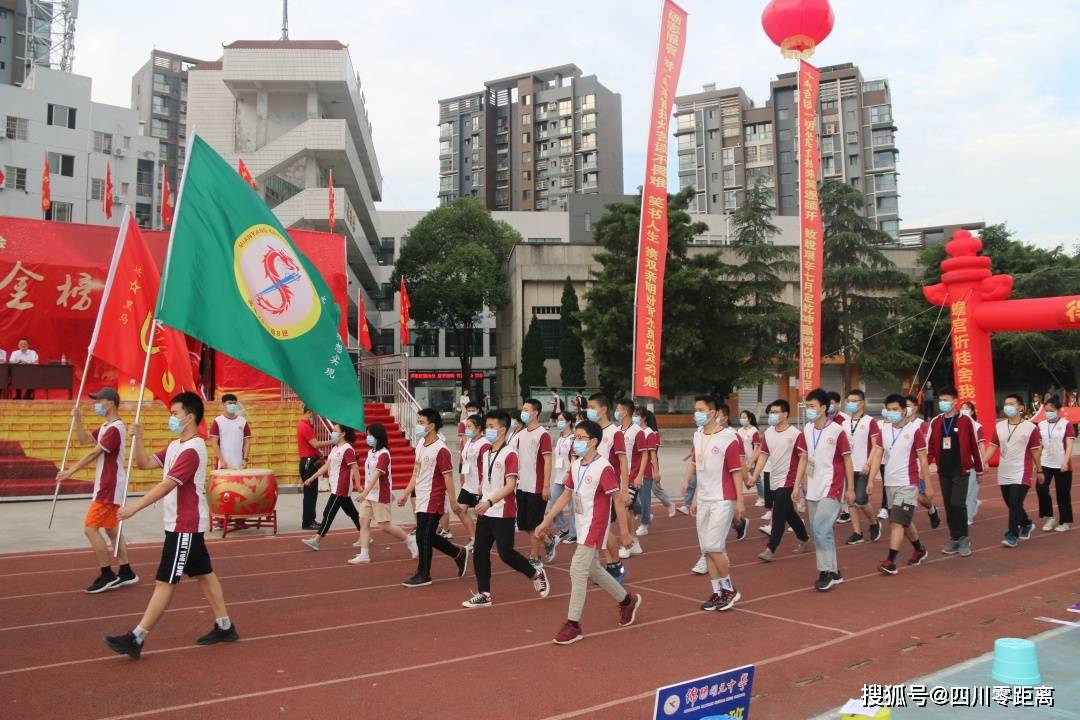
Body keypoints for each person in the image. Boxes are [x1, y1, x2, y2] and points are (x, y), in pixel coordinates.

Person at [104, 392, 236, 659]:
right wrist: (138, 439)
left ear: (189, 417)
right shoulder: (176, 446)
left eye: (174, 414)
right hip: (181, 525)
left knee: (165, 581)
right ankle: (225, 626)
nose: (171, 418)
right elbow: (143, 463)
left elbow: (167, 485)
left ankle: (137, 637)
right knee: (204, 574)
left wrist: (133, 508)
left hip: (184, 527)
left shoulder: (194, 449)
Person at [534, 419, 641, 644]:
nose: (576, 442)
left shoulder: (604, 468)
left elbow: (618, 501)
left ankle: (573, 624)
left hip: (596, 525)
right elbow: (565, 495)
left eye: (581, 438)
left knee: (577, 570)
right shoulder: (576, 465)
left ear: (593, 441)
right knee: (593, 570)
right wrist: (547, 520)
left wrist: (624, 533)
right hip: (581, 523)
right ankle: (626, 600)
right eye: (575, 438)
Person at [462, 410, 550, 608]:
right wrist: (481, 491)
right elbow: (487, 477)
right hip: (487, 509)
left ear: (502, 430)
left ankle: (535, 573)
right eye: (487, 426)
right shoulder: (486, 453)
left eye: (491, 427)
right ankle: (484, 594)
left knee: (506, 553)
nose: (487, 430)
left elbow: (510, 485)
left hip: (502, 510)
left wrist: (490, 501)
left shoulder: (510, 453)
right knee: (480, 551)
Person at [55, 388, 138, 593]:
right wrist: (78, 419)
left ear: (110, 403)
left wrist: (70, 471)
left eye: (99, 401)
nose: (96, 404)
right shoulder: (105, 426)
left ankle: (107, 574)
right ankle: (126, 571)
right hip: (108, 484)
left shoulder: (115, 428)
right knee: (111, 529)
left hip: (109, 486)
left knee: (90, 528)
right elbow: (84, 441)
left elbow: (94, 453)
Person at [396, 408, 471, 587]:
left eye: (421, 423)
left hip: (434, 498)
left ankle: (424, 574)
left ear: (432, 426)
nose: (418, 426)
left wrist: (453, 502)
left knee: (423, 535)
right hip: (421, 496)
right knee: (427, 535)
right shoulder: (421, 445)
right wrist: (406, 493)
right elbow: (416, 472)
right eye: (418, 422)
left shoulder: (441, 450)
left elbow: (448, 477)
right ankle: (458, 554)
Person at [687, 395, 746, 611]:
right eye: (696, 409)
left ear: (712, 412)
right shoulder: (697, 435)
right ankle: (717, 591)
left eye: (701, 409)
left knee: (714, 546)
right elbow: (700, 470)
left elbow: (736, 472)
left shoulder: (729, 437)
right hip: (704, 499)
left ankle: (730, 589)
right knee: (706, 550)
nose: (697, 414)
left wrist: (740, 501)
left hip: (723, 498)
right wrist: (694, 498)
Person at [793, 388, 854, 592]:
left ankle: (825, 571)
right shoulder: (807, 430)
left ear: (823, 407)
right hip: (813, 487)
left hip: (833, 486)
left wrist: (850, 488)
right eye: (807, 406)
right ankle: (835, 571)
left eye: (812, 406)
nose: (808, 410)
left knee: (820, 528)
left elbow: (847, 459)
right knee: (821, 530)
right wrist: (797, 485)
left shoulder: (837, 431)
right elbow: (803, 458)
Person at [926, 386, 985, 556]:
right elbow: (930, 447)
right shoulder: (936, 421)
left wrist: (979, 470)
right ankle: (954, 538)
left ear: (955, 402)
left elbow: (973, 445)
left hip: (961, 468)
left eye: (946, 400)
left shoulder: (965, 421)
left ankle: (964, 538)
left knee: (957, 503)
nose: (943, 403)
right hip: (943, 469)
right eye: (941, 400)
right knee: (948, 505)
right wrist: (924, 465)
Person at [877, 394, 931, 574]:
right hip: (890, 483)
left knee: (897, 522)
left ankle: (890, 561)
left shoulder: (914, 431)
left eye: (895, 410)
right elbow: (878, 455)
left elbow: (923, 460)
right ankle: (919, 549)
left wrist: (928, 485)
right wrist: (871, 480)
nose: (891, 413)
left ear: (904, 411)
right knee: (904, 522)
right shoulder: (884, 430)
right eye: (889, 410)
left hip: (908, 483)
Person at [349, 423, 416, 564]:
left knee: (384, 526)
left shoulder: (384, 454)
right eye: (367, 435)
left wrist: (365, 491)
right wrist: (364, 489)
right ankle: (364, 554)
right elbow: (368, 473)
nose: (368, 438)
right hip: (369, 494)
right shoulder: (370, 452)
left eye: (370, 435)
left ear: (378, 436)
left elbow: (377, 474)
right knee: (363, 522)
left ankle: (410, 540)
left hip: (380, 494)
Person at [752, 400, 810, 561]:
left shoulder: (796, 434)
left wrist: (800, 484)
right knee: (789, 513)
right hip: (774, 478)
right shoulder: (769, 432)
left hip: (789, 479)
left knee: (778, 513)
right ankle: (805, 539)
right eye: (771, 412)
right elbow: (764, 454)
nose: (773, 415)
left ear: (785, 414)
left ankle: (770, 549)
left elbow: (803, 459)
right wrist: (755, 475)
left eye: (776, 412)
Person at [300, 423, 364, 551]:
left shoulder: (347, 449)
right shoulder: (335, 449)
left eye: (335, 431)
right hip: (335, 485)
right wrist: (312, 478)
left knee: (328, 513)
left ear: (343, 434)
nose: (332, 433)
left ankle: (317, 540)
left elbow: (354, 467)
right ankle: (365, 535)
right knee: (352, 513)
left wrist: (358, 485)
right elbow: (326, 466)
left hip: (342, 487)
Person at [587, 393, 629, 582]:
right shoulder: (591, 432)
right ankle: (609, 565)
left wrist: (625, 489)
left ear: (603, 409)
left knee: (604, 530)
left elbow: (623, 461)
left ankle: (616, 566)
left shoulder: (615, 432)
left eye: (592, 407)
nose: (589, 411)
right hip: (591, 489)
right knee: (598, 530)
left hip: (610, 489)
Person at [990, 394, 1042, 547]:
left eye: (1012, 404)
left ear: (1020, 407)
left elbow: (1035, 451)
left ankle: (1012, 534)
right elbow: (993, 446)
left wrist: (1039, 470)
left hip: (1021, 471)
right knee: (1012, 503)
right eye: (1006, 404)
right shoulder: (999, 426)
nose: (1008, 407)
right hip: (1004, 471)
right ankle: (1026, 523)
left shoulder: (1031, 428)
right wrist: (983, 461)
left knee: (1014, 502)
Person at [840, 390, 882, 546]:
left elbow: (876, 445)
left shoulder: (870, 422)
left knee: (861, 500)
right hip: (848, 467)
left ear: (862, 403)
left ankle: (874, 521)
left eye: (854, 400)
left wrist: (868, 463)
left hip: (863, 466)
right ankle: (857, 532)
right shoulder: (844, 423)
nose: (851, 403)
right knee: (850, 500)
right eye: (849, 400)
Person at [514, 398, 554, 565]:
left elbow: (547, 461)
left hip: (536, 487)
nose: (523, 412)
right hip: (521, 485)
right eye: (522, 409)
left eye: (526, 409)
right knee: (523, 523)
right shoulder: (520, 434)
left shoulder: (543, 434)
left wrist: (545, 485)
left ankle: (535, 557)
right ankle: (547, 541)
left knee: (534, 523)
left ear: (535, 413)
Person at [634, 407, 674, 535]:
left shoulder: (650, 433)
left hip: (646, 471)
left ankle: (644, 523)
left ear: (644, 417)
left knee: (645, 499)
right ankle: (645, 514)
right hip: (634, 470)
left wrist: (655, 471)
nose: (634, 417)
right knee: (632, 499)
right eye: (633, 414)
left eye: (637, 415)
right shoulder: (633, 431)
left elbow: (653, 455)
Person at [616, 397, 647, 559]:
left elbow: (644, 454)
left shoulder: (638, 432)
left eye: (619, 409)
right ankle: (634, 541)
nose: (617, 412)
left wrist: (640, 475)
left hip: (632, 476)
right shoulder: (617, 430)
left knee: (625, 507)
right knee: (625, 509)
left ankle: (626, 544)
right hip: (619, 476)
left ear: (626, 412)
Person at [1036, 399, 1073, 532]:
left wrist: (1065, 461)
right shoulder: (1041, 425)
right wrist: (1037, 462)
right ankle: (1050, 517)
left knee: (1062, 493)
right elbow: (1040, 445)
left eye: (1051, 411)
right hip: (1046, 462)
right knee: (1041, 489)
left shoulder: (1066, 424)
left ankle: (1064, 521)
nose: (1048, 413)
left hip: (1062, 464)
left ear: (1058, 410)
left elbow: (1069, 445)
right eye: (1046, 411)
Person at [297, 406, 335, 530]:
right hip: (307, 462)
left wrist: (319, 455)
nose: (313, 417)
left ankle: (310, 520)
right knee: (310, 494)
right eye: (313, 414)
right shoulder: (304, 426)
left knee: (312, 493)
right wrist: (331, 441)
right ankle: (308, 522)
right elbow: (315, 444)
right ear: (308, 412)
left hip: (309, 461)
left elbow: (313, 447)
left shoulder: (306, 425)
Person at [906, 394, 941, 529]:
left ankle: (932, 509)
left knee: (920, 497)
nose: (906, 409)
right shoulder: (899, 423)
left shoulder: (922, 425)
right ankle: (905, 524)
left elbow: (925, 448)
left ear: (915, 408)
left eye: (909, 406)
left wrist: (924, 468)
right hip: (903, 466)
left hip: (918, 465)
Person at [549, 409, 577, 542]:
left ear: (569, 422)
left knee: (572, 507)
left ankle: (574, 532)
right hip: (558, 477)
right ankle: (563, 527)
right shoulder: (560, 438)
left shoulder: (573, 438)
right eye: (558, 420)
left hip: (570, 476)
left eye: (561, 420)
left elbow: (573, 458)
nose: (558, 423)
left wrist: (568, 473)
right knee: (554, 503)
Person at [959, 401, 989, 522]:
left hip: (973, 463)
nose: (964, 410)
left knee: (969, 491)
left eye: (967, 408)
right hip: (959, 462)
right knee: (961, 491)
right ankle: (975, 503)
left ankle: (968, 517)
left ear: (972, 411)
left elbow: (981, 444)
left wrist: (985, 461)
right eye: (962, 408)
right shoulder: (957, 424)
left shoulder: (977, 426)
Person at [208, 394, 252, 470]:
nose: (233, 405)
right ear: (223, 404)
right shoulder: (218, 421)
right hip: (223, 464)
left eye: (234, 403)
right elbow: (214, 443)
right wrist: (222, 460)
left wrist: (245, 459)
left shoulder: (243, 421)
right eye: (230, 403)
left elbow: (247, 442)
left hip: (239, 464)